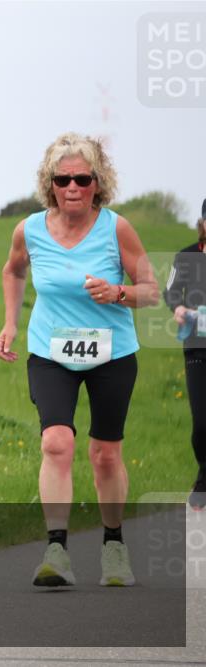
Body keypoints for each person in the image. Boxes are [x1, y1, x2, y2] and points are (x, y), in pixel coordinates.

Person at [0, 132, 159, 587]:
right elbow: (12, 270)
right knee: (56, 443)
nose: (72, 187)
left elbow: (151, 291)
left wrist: (119, 292)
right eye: (62, 179)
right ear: (49, 184)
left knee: (105, 454)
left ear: (97, 182)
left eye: (82, 179)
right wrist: (10, 322)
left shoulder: (116, 228)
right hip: (51, 351)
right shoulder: (28, 229)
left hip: (112, 353)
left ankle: (113, 546)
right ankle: (56, 551)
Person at [164, 198, 206, 509]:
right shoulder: (186, 256)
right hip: (197, 346)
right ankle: (204, 474)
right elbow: (170, 290)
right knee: (202, 423)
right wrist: (177, 308)